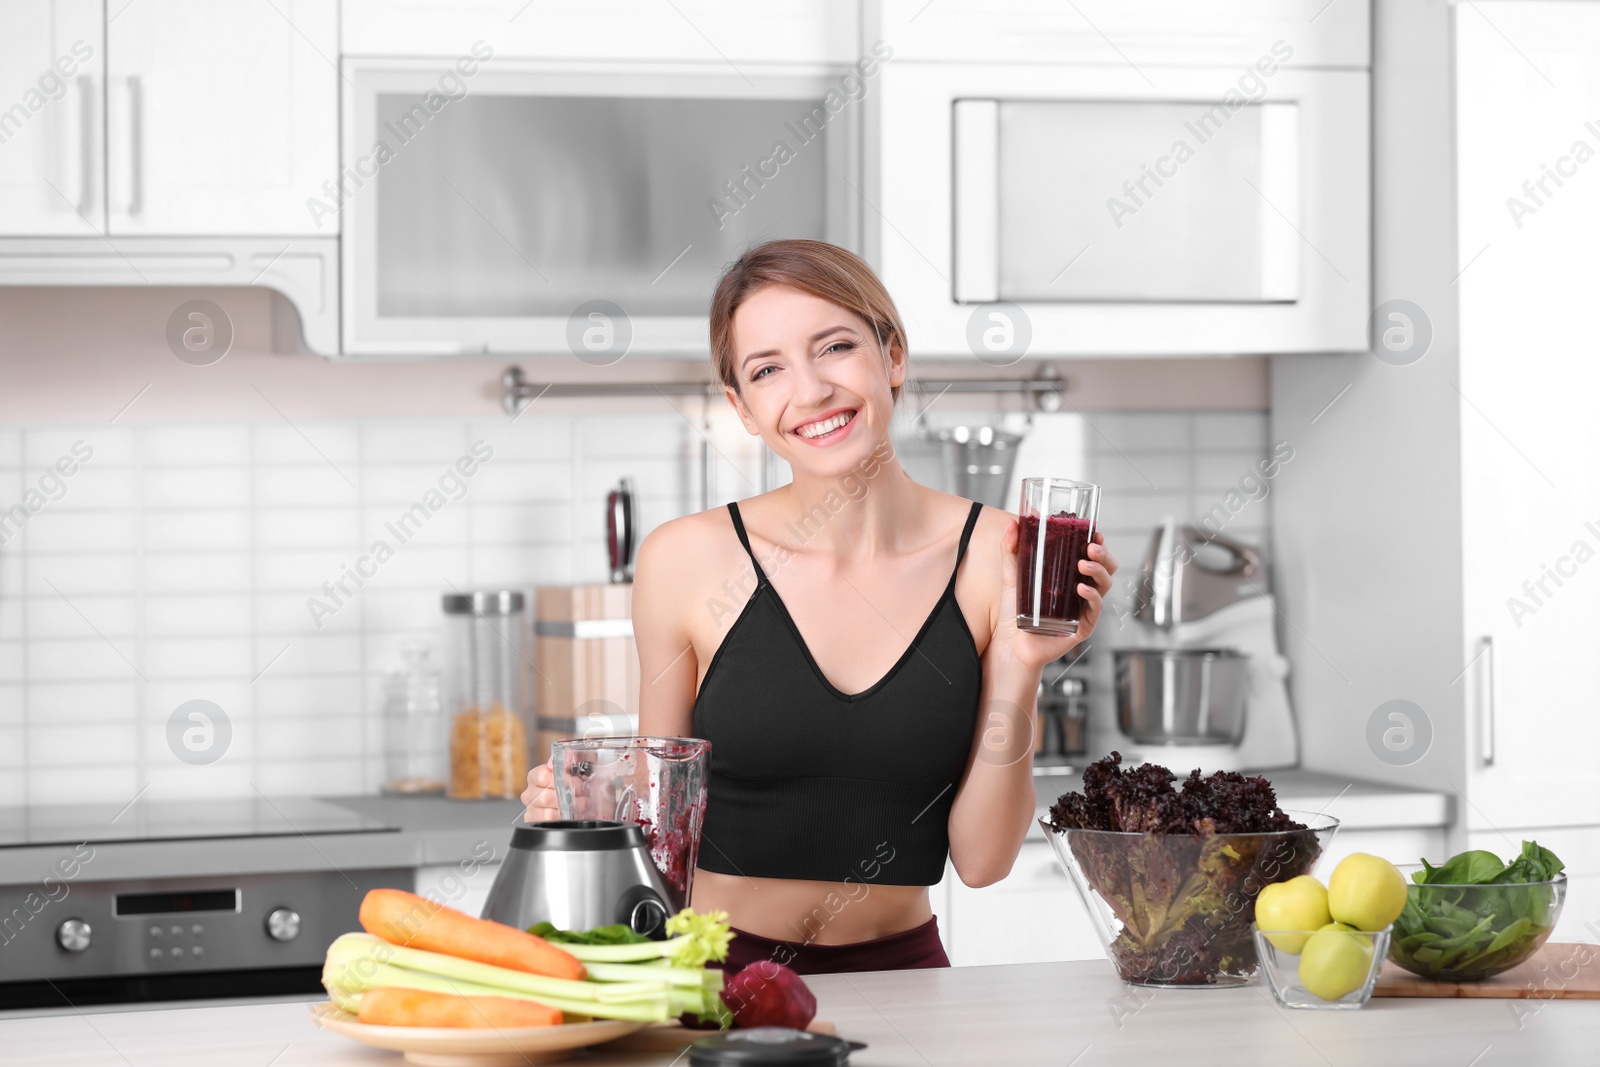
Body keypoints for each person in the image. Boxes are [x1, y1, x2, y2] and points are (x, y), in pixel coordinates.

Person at [523, 239, 1116, 974]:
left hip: (905, 979)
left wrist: (1025, 666)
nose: (809, 391)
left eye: (834, 347)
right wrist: (579, 818)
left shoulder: (1000, 554)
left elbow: (984, 860)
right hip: (712, 979)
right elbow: (660, 823)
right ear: (741, 407)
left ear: (892, 356)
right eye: (767, 369)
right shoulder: (685, 559)